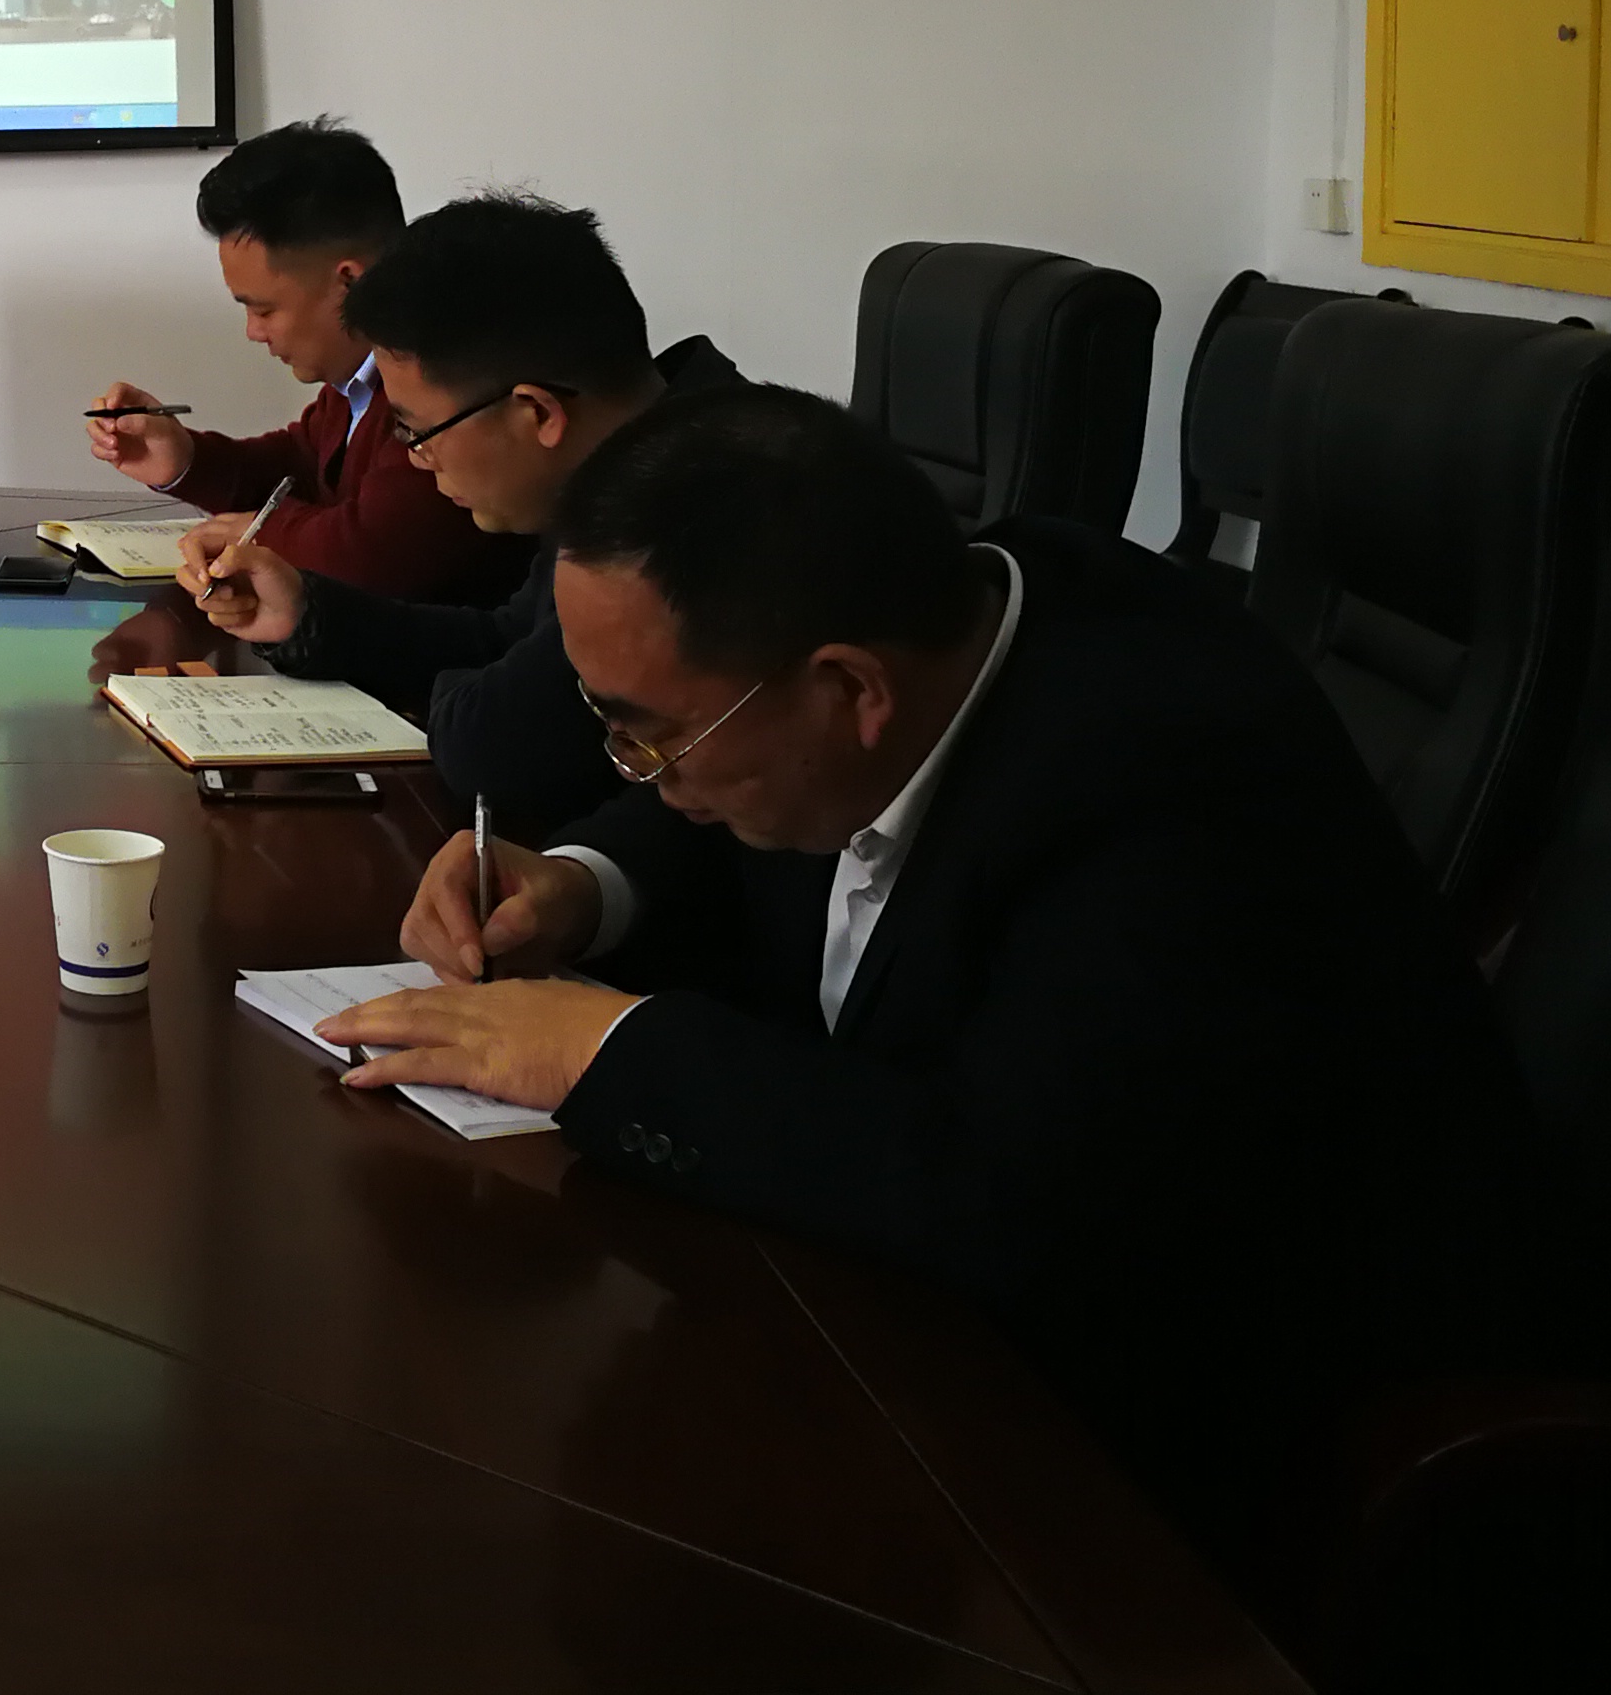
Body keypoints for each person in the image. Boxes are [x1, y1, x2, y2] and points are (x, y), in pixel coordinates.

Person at [312, 384, 1520, 1570]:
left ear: (851, 690)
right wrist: (584, 885)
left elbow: (1014, 1195)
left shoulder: (1165, 792)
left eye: (649, 733)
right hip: (928, 1320)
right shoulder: (947, 612)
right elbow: (761, 795)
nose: (634, 769)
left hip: (1189, 1451)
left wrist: (603, 1050)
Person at [183, 192, 737, 838]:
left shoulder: (697, 508)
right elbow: (504, 637)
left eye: (418, 432)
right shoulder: (628, 457)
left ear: (536, 413)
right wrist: (305, 614)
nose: (416, 460)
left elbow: (494, 746)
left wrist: (464, 692)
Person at [83, 117, 527, 607]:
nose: (253, 332)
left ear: (349, 282)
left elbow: (374, 554)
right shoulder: (355, 382)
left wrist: (258, 534)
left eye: (263, 309)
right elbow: (301, 464)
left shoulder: (445, 378)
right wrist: (186, 460)